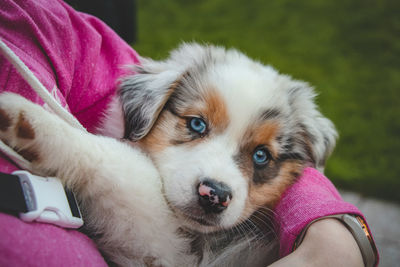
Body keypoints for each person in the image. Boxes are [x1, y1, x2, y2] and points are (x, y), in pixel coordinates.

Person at [0, 0, 377, 266]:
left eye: (260, 156)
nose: (217, 188)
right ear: (148, 106)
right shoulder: (143, 108)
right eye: (197, 125)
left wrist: (335, 229)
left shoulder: (45, 31)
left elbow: (305, 172)